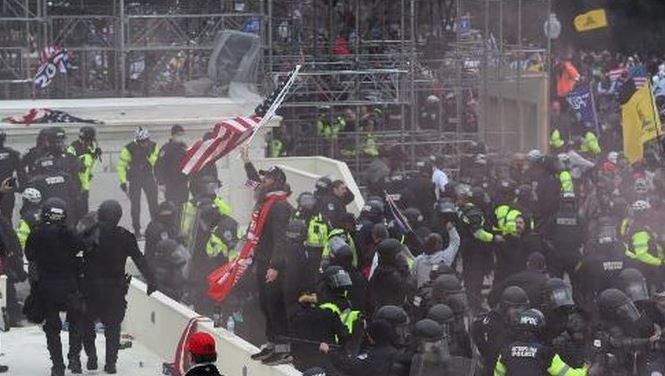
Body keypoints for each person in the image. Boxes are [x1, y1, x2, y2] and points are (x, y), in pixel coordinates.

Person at [72, 200, 156, 374]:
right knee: (113, 327)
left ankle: (92, 358)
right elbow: (139, 259)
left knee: (87, 323)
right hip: (115, 289)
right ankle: (111, 363)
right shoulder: (125, 236)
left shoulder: (89, 233)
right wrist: (151, 280)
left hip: (90, 287)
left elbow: (71, 254)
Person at [24, 197, 85, 376]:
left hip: (47, 287)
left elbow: (30, 256)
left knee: (52, 328)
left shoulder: (36, 233)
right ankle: (74, 359)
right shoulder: (71, 233)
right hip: (70, 286)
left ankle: (57, 366)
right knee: (75, 322)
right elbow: (81, 252)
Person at [243, 163, 293, 366]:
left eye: (268, 178)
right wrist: (246, 162)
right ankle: (271, 343)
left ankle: (283, 349)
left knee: (275, 306)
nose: (263, 180)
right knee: (265, 305)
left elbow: (281, 240)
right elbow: (254, 181)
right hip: (262, 260)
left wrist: (275, 266)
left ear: (278, 181)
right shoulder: (267, 201)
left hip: (274, 265)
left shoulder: (279, 205)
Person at [494, 308, 588, 376]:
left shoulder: (506, 352)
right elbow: (568, 374)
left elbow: (497, 374)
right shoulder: (545, 353)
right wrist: (586, 370)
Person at [117, 126, 159, 237]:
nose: (144, 143)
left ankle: (156, 227)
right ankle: (136, 229)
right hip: (134, 179)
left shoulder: (154, 146)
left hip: (148, 177)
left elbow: (156, 163)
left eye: (146, 141)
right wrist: (122, 181)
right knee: (135, 205)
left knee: (153, 203)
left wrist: (149, 154)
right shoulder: (128, 148)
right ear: (137, 140)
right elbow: (121, 165)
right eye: (142, 142)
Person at [329, 319, 399, 376]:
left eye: (369, 335)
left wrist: (330, 352)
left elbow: (351, 366)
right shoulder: (395, 353)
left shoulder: (373, 356)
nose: (368, 337)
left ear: (375, 336)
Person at [155, 125, 189, 217]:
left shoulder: (184, 148)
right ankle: (174, 228)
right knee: (172, 208)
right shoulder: (166, 148)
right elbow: (158, 166)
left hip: (183, 184)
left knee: (183, 209)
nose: (180, 137)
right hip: (171, 184)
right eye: (179, 135)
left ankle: (180, 229)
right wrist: (161, 182)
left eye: (182, 135)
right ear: (173, 135)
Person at [67, 126, 102, 215]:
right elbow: (68, 162)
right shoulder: (73, 147)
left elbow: (91, 164)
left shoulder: (92, 146)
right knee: (76, 207)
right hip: (75, 182)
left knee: (84, 207)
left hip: (86, 182)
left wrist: (95, 154)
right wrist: (76, 163)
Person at [0, 130, 24, 223]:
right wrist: (19, 188)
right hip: (8, 188)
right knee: (7, 218)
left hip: (7, 189)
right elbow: (20, 173)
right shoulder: (13, 153)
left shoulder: (13, 153)